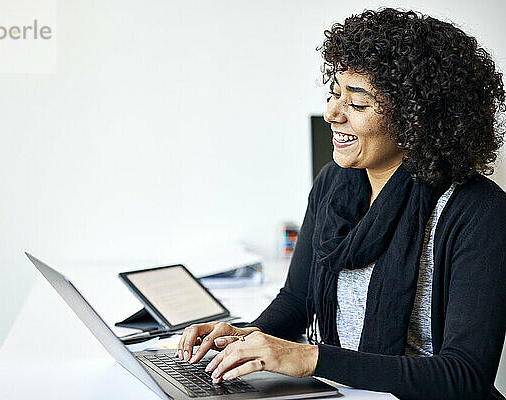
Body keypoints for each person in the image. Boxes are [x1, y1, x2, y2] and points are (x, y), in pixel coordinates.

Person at [176, 8, 506, 400]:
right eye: (335, 94)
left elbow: (464, 376)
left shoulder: (477, 212)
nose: (332, 113)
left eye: (358, 104)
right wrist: (247, 340)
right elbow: (297, 300)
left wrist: (312, 359)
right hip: (343, 392)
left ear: (418, 120)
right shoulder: (333, 183)